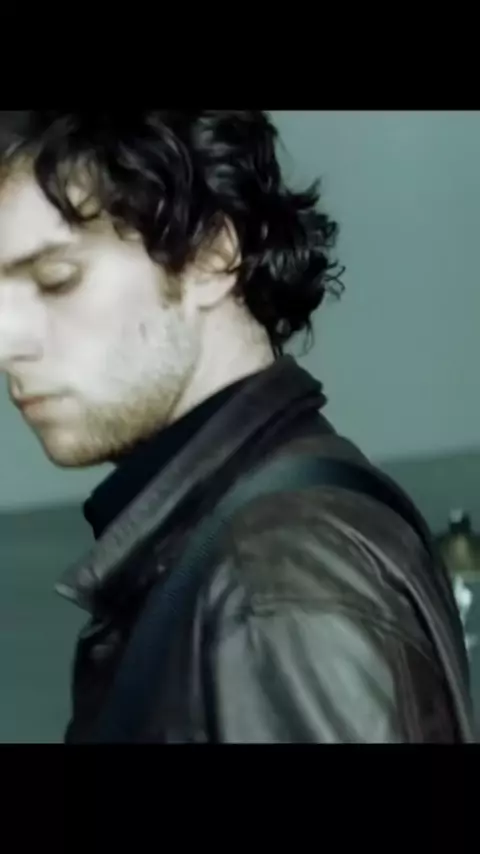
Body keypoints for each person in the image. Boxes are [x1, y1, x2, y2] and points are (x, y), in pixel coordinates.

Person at [0, 110, 474, 743]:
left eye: (56, 280)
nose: (8, 341)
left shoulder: (277, 580)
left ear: (210, 256)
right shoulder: (249, 545)